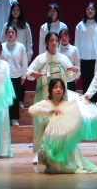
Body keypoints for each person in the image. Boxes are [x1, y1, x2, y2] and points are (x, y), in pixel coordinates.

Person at [27, 32, 80, 164]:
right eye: (51, 40)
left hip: (59, 97)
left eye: (56, 40)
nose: (54, 43)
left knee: (60, 122)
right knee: (42, 122)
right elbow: (28, 73)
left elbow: (70, 76)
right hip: (43, 95)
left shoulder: (63, 59)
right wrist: (33, 74)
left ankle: (61, 150)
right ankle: (40, 152)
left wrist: (75, 71)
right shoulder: (40, 59)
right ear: (46, 43)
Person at [29, 78, 97, 174]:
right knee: (52, 164)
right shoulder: (46, 103)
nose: (58, 90)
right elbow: (31, 110)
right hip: (49, 142)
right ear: (50, 90)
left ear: (64, 91)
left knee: (69, 168)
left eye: (61, 88)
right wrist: (49, 111)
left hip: (64, 142)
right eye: (55, 87)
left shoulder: (67, 105)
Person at [75, 2, 97, 94]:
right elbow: (77, 42)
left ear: (95, 11)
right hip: (84, 57)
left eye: (92, 9)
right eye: (88, 9)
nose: (90, 11)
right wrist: (78, 57)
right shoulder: (80, 25)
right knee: (86, 80)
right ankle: (86, 99)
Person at [1, 26, 28, 127]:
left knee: (15, 98)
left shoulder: (21, 47)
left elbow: (24, 62)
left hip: (17, 75)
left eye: (12, 32)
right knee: (6, 98)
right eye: (9, 32)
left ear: (16, 34)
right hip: (5, 77)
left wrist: (24, 76)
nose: (11, 34)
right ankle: (7, 118)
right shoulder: (2, 46)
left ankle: (15, 118)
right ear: (6, 34)